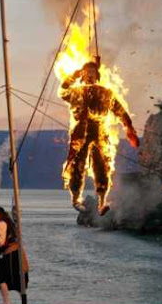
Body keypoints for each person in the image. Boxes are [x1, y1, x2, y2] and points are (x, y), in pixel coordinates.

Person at [59, 61, 140, 215]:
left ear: (97, 75)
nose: (89, 74)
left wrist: (129, 128)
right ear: (82, 75)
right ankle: (76, 199)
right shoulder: (76, 91)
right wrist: (72, 76)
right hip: (80, 132)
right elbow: (63, 92)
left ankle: (102, 202)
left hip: (100, 132)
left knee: (102, 166)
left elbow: (120, 111)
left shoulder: (106, 93)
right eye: (86, 71)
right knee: (77, 166)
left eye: (92, 71)